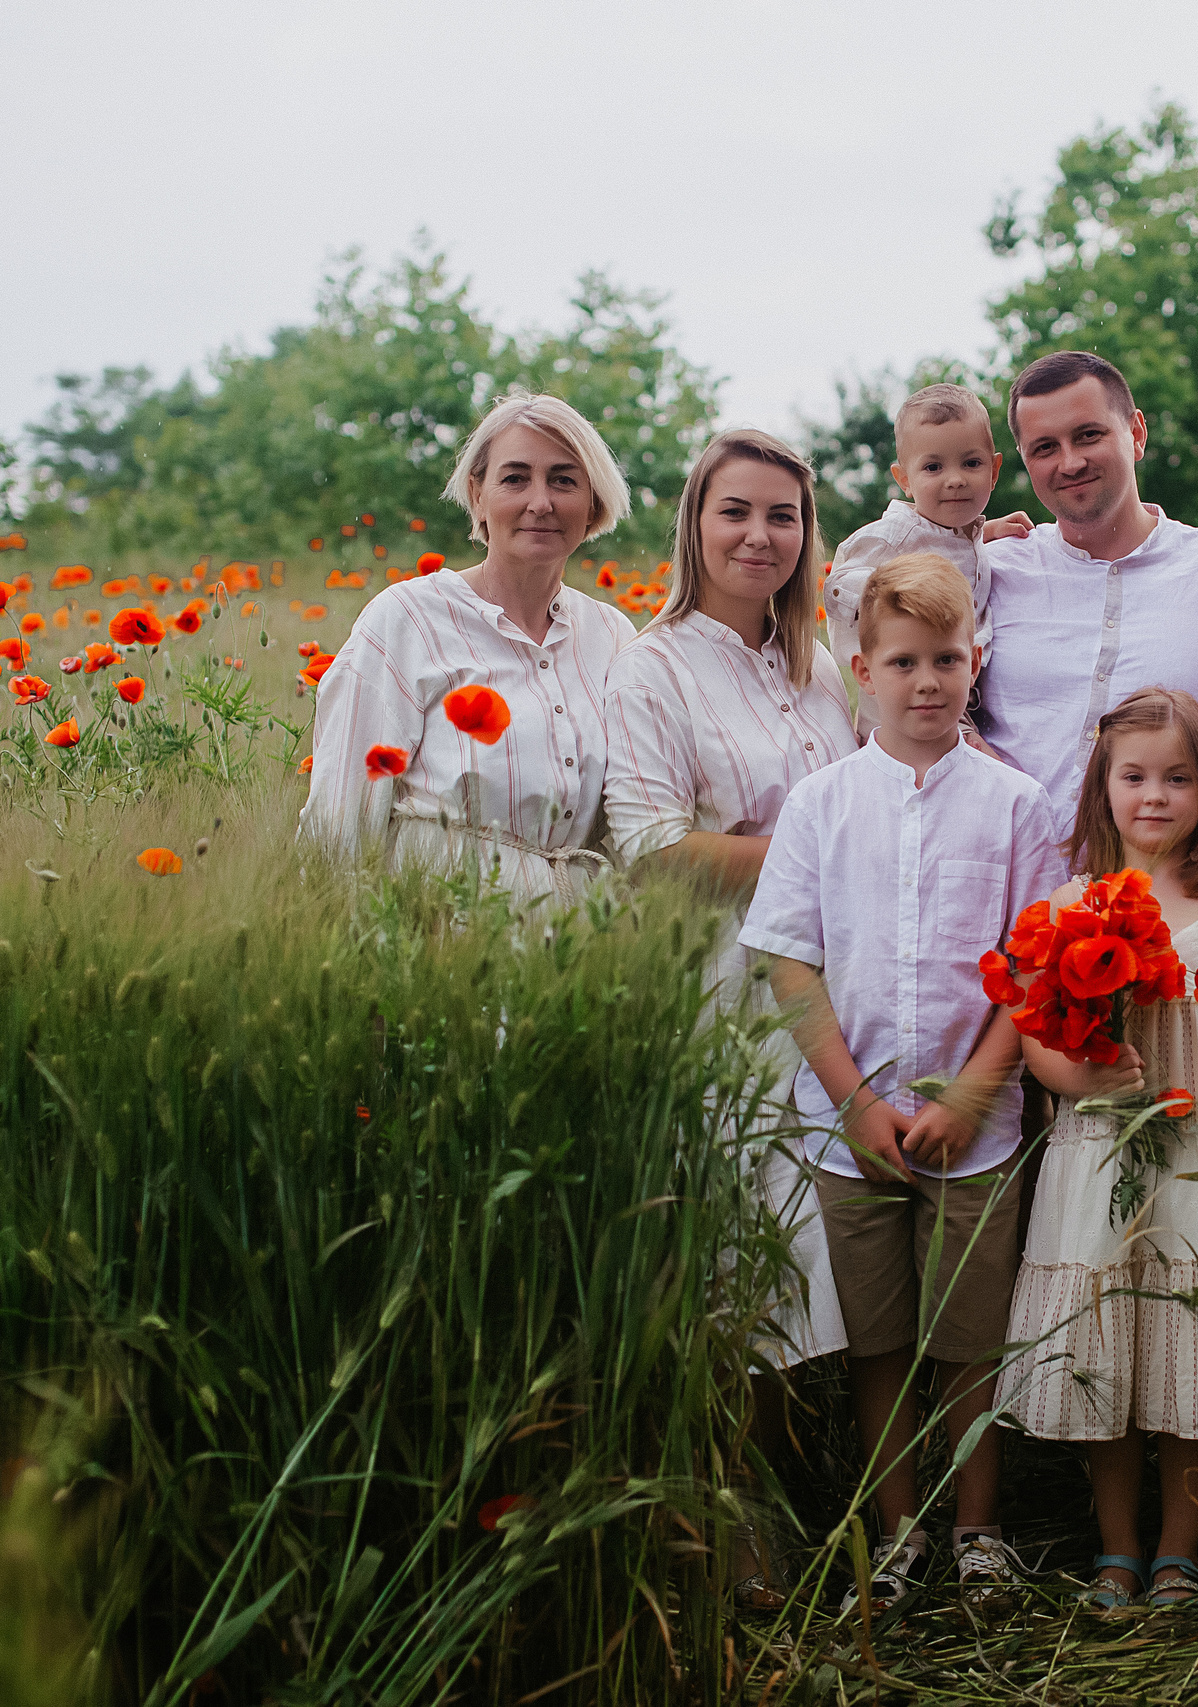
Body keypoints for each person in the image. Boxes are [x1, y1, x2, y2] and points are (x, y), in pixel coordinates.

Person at [738, 552, 1065, 1621]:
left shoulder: (1018, 808)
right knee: (879, 1341)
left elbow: (1031, 970)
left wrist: (972, 1093)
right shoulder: (821, 804)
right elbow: (791, 957)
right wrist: (852, 1100)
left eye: (945, 661)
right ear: (862, 669)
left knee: (966, 1340)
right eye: (902, 663)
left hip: (978, 1127)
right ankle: (898, 1531)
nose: (926, 682)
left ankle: (977, 1533)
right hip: (852, 1129)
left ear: (975, 663)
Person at [600, 427, 858, 1608]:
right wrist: (823, 854)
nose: (760, 536)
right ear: (693, 524)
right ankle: (729, 1516)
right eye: (735, 513)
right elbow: (652, 845)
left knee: (824, 1247)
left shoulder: (818, 665)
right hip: (725, 987)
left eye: (784, 517)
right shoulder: (653, 668)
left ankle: (828, 1498)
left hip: (839, 985)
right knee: (739, 1259)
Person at [999, 686, 1198, 1613]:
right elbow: (1035, 1034)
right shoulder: (1071, 902)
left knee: (1194, 1342)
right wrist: (1079, 1077)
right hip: (1100, 1155)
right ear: (1102, 786)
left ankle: (1178, 1551)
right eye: (1134, 776)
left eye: (1178, 778)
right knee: (1104, 1350)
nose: (1153, 796)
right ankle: (1116, 1548)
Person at [300, 395, 634, 901]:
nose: (540, 502)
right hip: (439, 932)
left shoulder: (611, 636)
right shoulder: (407, 621)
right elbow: (341, 816)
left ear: (593, 503)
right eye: (515, 478)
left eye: (564, 480)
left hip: (579, 944)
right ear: (477, 495)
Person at [974, 351, 1198, 817]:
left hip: (1164, 882)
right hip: (1006, 874)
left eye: (1088, 435)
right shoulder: (988, 572)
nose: (1070, 463)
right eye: (1045, 448)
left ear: (1136, 433)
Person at [820, 383, 1003, 647]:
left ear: (994, 471)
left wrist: (988, 532)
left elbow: (948, 542)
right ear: (904, 479)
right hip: (905, 682)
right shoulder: (895, 535)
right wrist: (903, 593)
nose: (955, 479)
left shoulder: (966, 532)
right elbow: (837, 588)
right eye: (933, 467)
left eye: (971, 463)